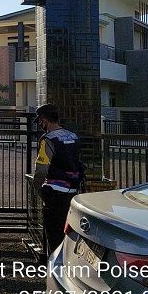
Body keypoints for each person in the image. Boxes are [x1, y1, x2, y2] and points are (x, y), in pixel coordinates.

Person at [33, 103, 85, 257]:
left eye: (41, 122)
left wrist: (38, 188)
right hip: (72, 191)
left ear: (44, 121)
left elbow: (41, 168)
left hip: (54, 192)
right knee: (69, 233)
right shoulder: (73, 136)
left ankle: (55, 269)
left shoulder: (48, 139)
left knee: (54, 236)